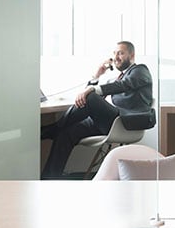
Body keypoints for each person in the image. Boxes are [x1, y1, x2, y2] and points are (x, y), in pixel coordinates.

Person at [41, 41, 153, 179]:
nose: (116, 57)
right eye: (115, 53)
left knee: (92, 97)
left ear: (132, 55)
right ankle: (49, 179)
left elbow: (124, 85)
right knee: (66, 133)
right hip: (105, 122)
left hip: (121, 122)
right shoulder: (115, 78)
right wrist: (97, 75)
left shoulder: (140, 70)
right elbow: (85, 97)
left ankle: (53, 128)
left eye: (121, 53)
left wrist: (92, 90)